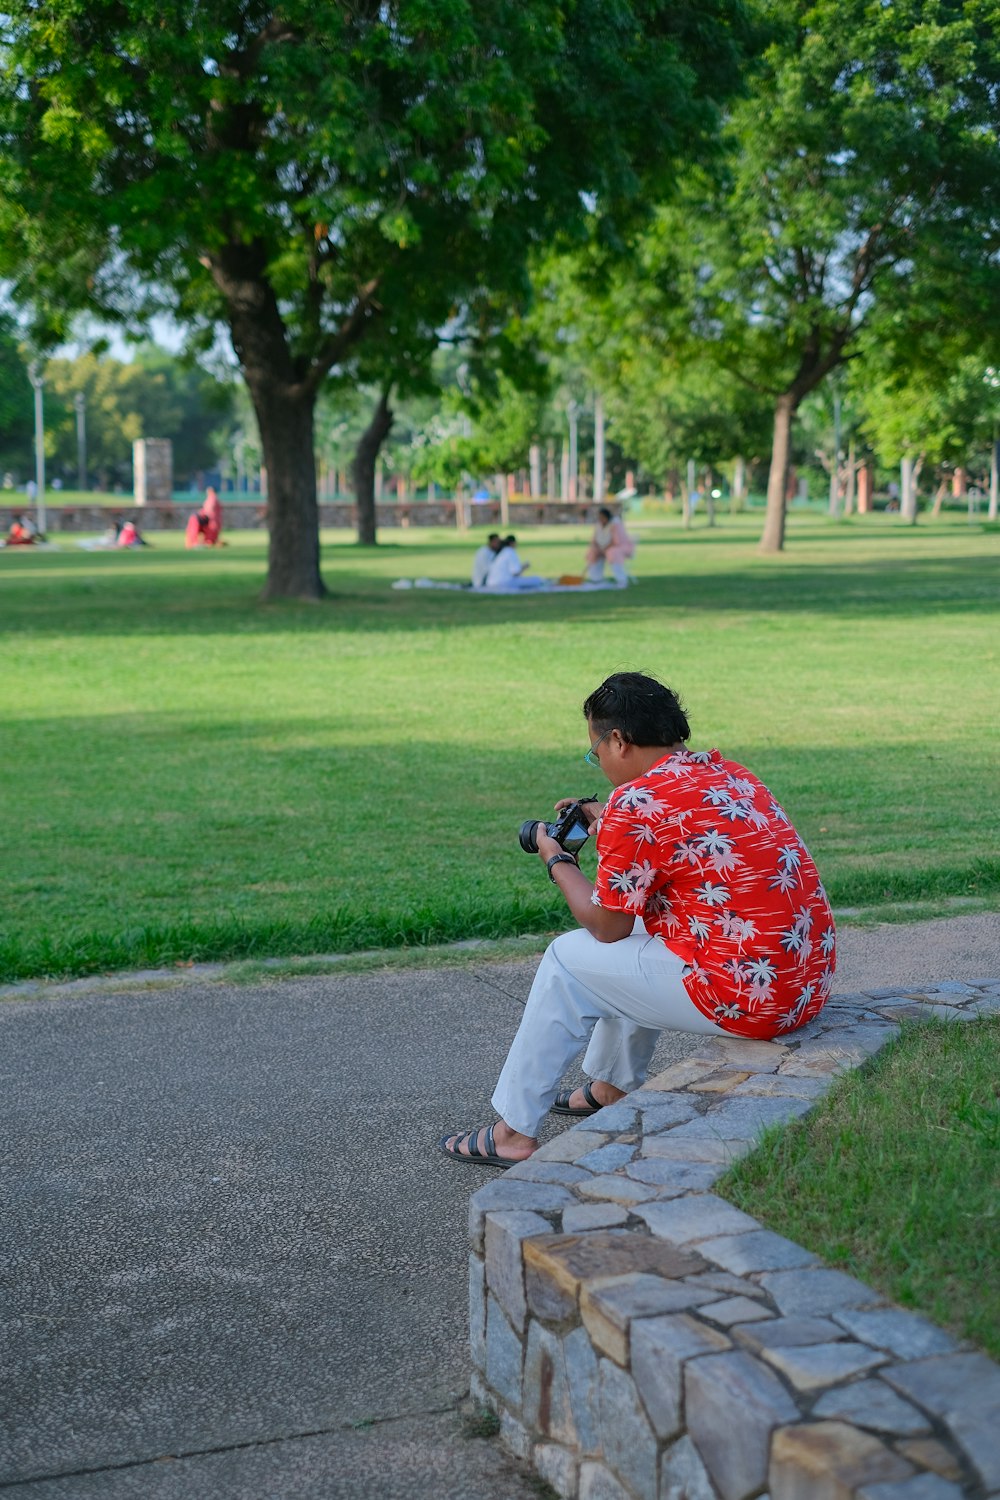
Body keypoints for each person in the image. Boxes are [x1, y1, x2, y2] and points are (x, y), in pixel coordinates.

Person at [441, 671, 836, 1167]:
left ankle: (512, 1134)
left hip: (752, 1003)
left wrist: (555, 858)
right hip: (802, 985)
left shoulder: (637, 803)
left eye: (595, 751)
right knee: (649, 927)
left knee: (568, 958)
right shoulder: (729, 772)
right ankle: (611, 1088)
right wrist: (604, 819)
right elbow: (675, 850)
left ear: (619, 741)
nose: (599, 762)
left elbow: (607, 926)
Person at [585, 506, 635, 587]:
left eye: (602, 517)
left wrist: (605, 548)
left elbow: (616, 541)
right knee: (592, 552)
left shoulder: (615, 524)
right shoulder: (598, 525)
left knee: (612, 553)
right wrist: (596, 547)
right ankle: (596, 578)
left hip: (619, 547)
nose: (601, 519)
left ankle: (621, 580)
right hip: (602, 547)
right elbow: (594, 539)